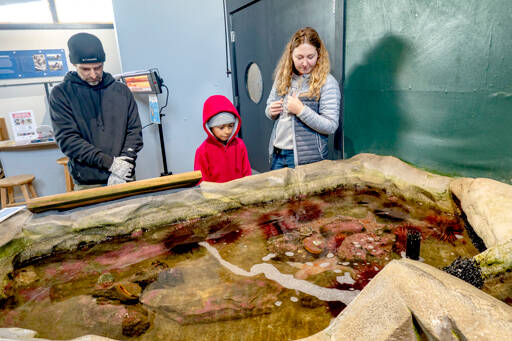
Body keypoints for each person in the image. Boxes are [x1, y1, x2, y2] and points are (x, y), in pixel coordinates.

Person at [49, 32, 143, 189]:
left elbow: (134, 130)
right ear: (74, 65)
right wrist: (110, 164)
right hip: (89, 181)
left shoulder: (121, 91)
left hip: (125, 174)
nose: (93, 74)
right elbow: (68, 140)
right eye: (85, 69)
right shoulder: (61, 94)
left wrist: (126, 160)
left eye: (98, 67)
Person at [265, 27, 341, 170]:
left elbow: (330, 126)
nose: (305, 63)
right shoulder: (283, 77)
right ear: (291, 56)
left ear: (318, 54)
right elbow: (269, 106)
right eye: (299, 57)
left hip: (307, 160)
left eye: (310, 57)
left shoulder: (327, 82)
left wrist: (301, 110)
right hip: (277, 154)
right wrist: (271, 111)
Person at [194, 95, 252, 183]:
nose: (227, 131)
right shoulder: (203, 151)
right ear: (210, 128)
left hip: (240, 193)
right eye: (221, 127)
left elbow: (247, 173)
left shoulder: (239, 145)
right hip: (215, 195)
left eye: (231, 126)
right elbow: (202, 182)